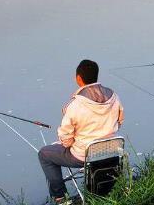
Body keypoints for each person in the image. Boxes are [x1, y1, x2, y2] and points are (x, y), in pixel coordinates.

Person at [38, 59, 124, 204]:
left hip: (83, 155)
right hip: (111, 151)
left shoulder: (74, 105)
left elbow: (65, 138)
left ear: (78, 78)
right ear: (96, 75)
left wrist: (70, 144)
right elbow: (119, 121)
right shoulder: (114, 97)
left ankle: (61, 198)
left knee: (44, 154)